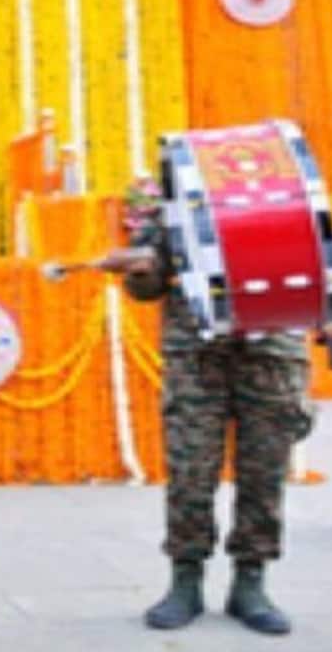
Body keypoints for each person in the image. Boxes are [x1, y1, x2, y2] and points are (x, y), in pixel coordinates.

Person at [110, 181, 310, 636]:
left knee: (265, 472)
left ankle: (251, 581)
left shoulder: (289, 209)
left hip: (272, 353)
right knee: (190, 472)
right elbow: (146, 288)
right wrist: (143, 269)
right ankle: (185, 580)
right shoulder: (176, 217)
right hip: (196, 355)